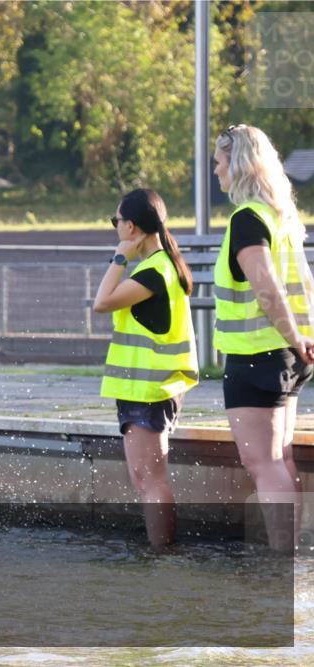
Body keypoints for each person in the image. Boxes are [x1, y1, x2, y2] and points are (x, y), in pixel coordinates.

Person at [212, 124, 314, 552]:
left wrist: (293, 339)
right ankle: (293, 553)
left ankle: (282, 560)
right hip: (287, 356)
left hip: (259, 355)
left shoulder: (247, 219)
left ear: (237, 165)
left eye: (218, 163)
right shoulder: (281, 216)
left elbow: (267, 288)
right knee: (282, 459)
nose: (216, 172)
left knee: (264, 462)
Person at [93, 188, 198, 549]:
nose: (116, 228)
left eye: (116, 222)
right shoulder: (163, 265)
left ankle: (162, 555)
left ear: (132, 226)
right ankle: (161, 551)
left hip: (147, 390)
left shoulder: (154, 271)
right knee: (146, 478)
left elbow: (102, 302)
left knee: (150, 479)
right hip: (150, 389)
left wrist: (119, 257)